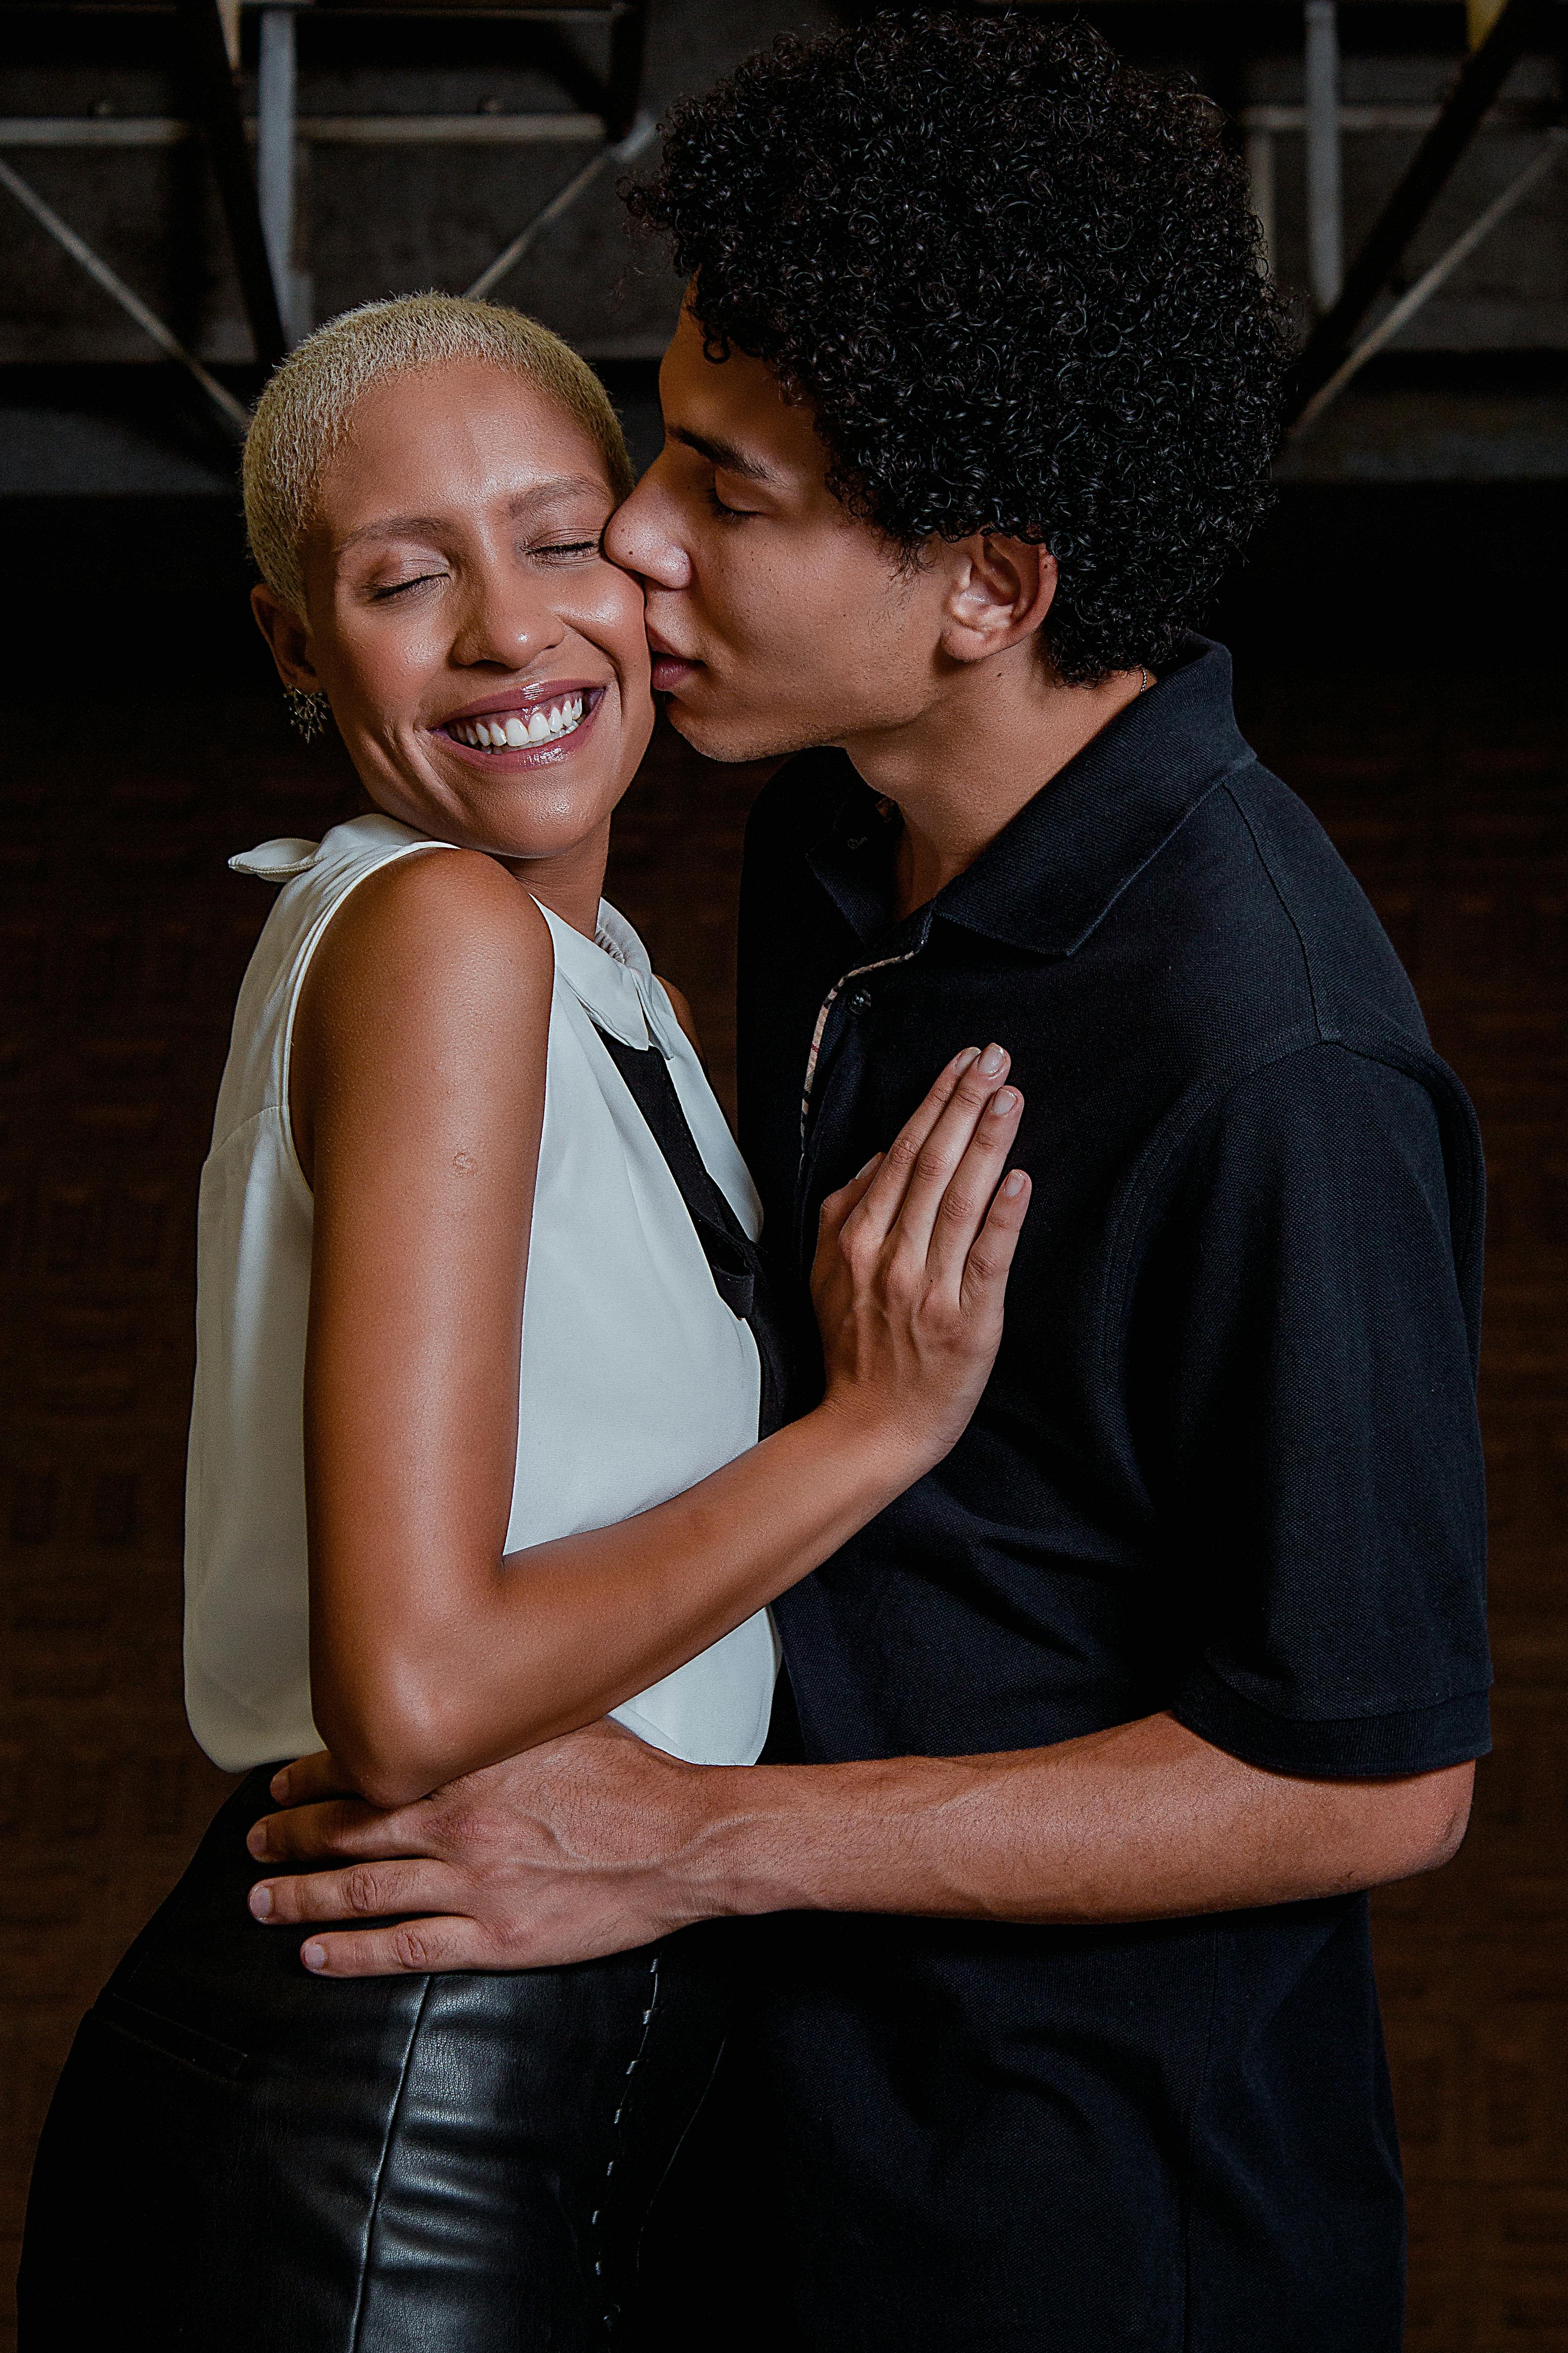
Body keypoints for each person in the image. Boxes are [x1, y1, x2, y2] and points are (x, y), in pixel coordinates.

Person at [240, 20, 1494, 2352]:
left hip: (1078, 2220)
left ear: (984, 589)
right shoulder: (834, 829)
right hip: (763, 2103)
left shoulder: (1274, 1060)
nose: (633, 535)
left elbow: (1369, 1777)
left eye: (722, 489)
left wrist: (696, 1842)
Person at [16, 291, 1032, 2352]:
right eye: (405, 578)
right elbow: (406, 1690)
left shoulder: (609, 978)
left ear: (644, 555)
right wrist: (869, 1431)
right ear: (299, 647)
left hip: (525, 2092)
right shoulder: (436, 931)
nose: (506, 633)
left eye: (556, 539)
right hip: (384, 2129)